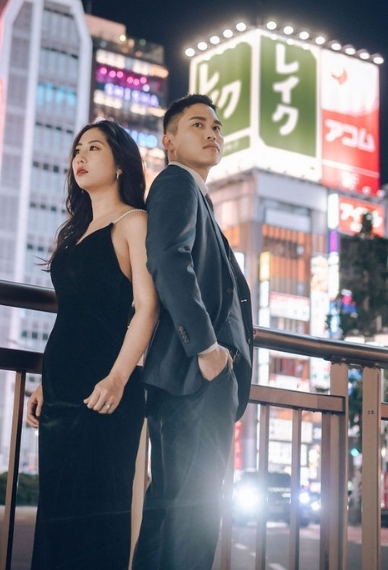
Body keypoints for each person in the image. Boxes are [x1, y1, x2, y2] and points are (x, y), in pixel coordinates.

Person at [25, 120, 159, 570]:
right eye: (77, 149)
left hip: (107, 390)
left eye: (94, 148)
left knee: (97, 516)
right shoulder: (73, 232)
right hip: (61, 391)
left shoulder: (132, 222)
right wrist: (45, 383)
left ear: (120, 163)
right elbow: (72, 316)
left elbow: (147, 308)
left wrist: (119, 377)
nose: (80, 157)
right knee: (56, 517)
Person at [132, 94, 254, 570]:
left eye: (217, 127)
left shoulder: (193, 194)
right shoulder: (176, 183)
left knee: (172, 504)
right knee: (197, 511)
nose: (213, 133)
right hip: (195, 371)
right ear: (169, 141)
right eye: (198, 124)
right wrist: (207, 348)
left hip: (187, 375)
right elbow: (167, 260)